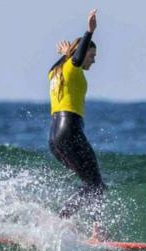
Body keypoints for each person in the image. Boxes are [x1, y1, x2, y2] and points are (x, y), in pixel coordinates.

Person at [48, 9, 107, 232]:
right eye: (92, 56)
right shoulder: (73, 69)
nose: (94, 60)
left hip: (54, 136)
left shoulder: (55, 71)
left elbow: (72, 58)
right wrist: (89, 32)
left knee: (91, 184)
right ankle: (72, 223)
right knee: (96, 185)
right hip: (70, 130)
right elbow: (78, 57)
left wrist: (67, 53)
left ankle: (71, 224)